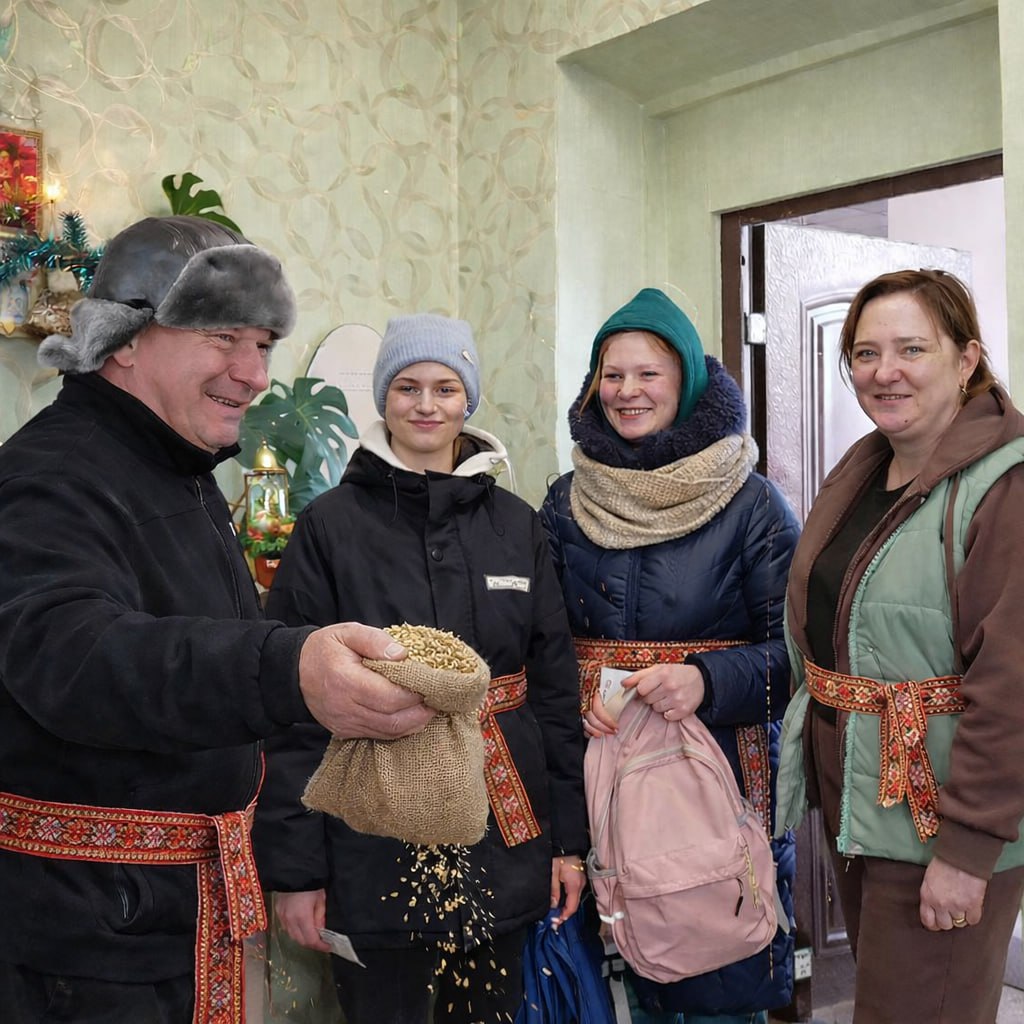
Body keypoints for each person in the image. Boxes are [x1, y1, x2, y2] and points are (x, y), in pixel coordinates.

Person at [0, 215, 436, 1024]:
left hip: (170, 919)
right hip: (91, 950)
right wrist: (288, 668)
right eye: (221, 336)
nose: (252, 371)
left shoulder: (177, 467)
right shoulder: (50, 475)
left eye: (265, 342)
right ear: (124, 339)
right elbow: (72, 655)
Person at [252, 313, 588, 1024]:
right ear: (383, 399)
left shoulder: (516, 525)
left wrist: (570, 845)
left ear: (469, 399)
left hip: (502, 825)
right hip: (370, 832)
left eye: (445, 387)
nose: (426, 405)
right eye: (407, 387)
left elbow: (556, 694)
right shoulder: (330, 527)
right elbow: (289, 710)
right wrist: (298, 871)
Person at [539, 287, 799, 1024]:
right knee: (621, 983)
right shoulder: (566, 502)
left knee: (717, 976)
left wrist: (706, 680)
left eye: (647, 373)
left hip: (715, 777)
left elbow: (805, 659)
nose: (626, 392)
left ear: (685, 378)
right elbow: (542, 641)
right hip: (604, 773)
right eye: (611, 375)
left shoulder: (751, 504)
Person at [775, 269, 1024, 1023]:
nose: (884, 372)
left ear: (967, 358)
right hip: (860, 800)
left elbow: (1013, 689)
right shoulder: (863, 470)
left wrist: (966, 852)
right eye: (864, 353)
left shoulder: (1004, 488)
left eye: (912, 348)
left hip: (939, 815)